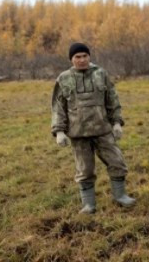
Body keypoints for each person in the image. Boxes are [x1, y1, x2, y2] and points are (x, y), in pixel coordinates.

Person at [51, 42, 136, 214]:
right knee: (85, 170)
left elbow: (112, 99)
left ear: (89, 57)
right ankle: (88, 205)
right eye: (77, 57)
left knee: (117, 162)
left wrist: (117, 122)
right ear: (71, 59)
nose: (82, 60)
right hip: (78, 133)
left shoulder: (101, 74)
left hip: (103, 130)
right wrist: (59, 131)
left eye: (85, 56)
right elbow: (58, 107)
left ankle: (120, 196)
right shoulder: (63, 78)